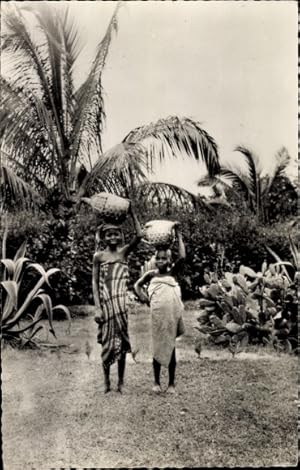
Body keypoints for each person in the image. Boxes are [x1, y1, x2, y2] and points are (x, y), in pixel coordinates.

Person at [92, 205, 142, 393]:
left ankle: (120, 382)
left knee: (121, 344)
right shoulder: (98, 257)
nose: (113, 238)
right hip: (106, 306)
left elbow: (139, 236)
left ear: (120, 236)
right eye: (109, 235)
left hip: (121, 306)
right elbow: (95, 284)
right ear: (103, 237)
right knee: (107, 344)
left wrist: (132, 211)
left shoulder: (123, 253)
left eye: (116, 234)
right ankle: (106, 383)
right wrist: (98, 308)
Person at [134, 224, 186, 394]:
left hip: (171, 315)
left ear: (170, 260)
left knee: (170, 347)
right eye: (158, 259)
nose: (160, 261)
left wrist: (178, 236)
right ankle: (156, 382)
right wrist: (144, 298)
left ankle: (171, 384)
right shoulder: (152, 274)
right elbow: (137, 285)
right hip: (157, 314)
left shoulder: (172, 273)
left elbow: (183, 257)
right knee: (157, 347)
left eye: (164, 259)